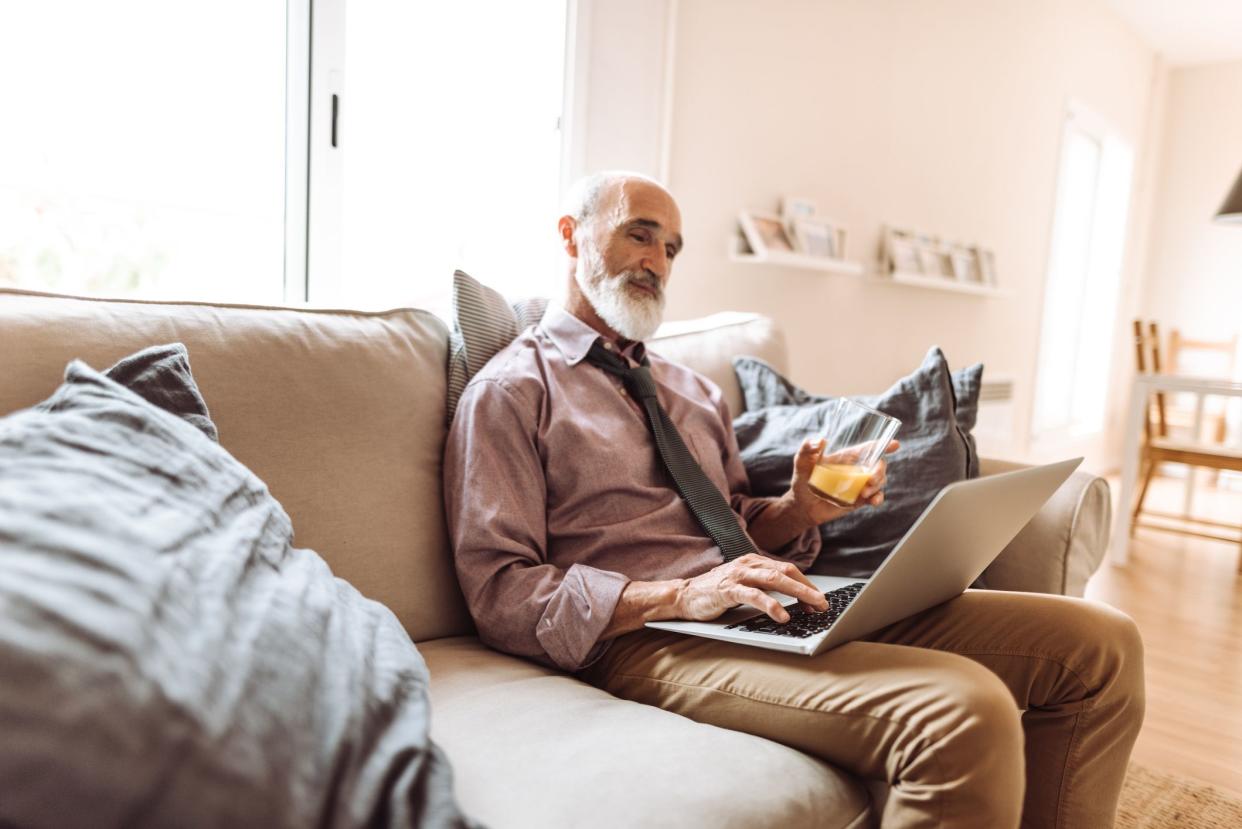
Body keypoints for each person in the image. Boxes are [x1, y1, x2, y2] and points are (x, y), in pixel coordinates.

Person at [443, 171, 1144, 828]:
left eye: (672, 247)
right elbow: (501, 591)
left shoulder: (694, 393)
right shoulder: (512, 393)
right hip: (645, 638)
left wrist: (800, 510)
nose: (657, 259)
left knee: (1102, 646)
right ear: (571, 236)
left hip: (768, 601)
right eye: (640, 232)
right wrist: (677, 597)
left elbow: (739, 526)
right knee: (966, 711)